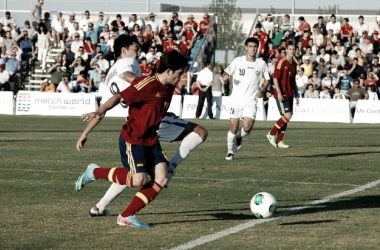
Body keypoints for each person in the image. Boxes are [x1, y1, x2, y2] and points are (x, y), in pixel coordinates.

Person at [81, 35, 207, 217]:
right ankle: (95, 172)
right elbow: (120, 94)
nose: (181, 78)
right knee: (138, 178)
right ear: (170, 71)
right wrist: (99, 111)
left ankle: (124, 216)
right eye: (179, 74)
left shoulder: (168, 85)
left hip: (151, 136)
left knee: (161, 179)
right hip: (135, 137)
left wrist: (163, 113)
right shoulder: (141, 78)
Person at [223, 37, 270, 160]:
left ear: (257, 48)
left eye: (255, 47)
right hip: (236, 100)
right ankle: (230, 152)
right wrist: (225, 77)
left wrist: (263, 90)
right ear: (246, 47)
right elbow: (226, 72)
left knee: (247, 128)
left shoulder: (261, 64)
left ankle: (239, 137)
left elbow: (267, 79)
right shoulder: (238, 61)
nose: (252, 49)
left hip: (251, 100)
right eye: (250, 46)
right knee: (233, 127)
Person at [266, 40, 299, 148]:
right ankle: (271, 134)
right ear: (286, 50)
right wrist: (279, 93)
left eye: (294, 49)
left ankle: (279, 141)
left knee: (285, 117)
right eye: (290, 49)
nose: (292, 51)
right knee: (287, 115)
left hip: (290, 94)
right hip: (282, 94)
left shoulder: (293, 64)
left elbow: (293, 81)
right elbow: (275, 78)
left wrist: (297, 94)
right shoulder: (281, 62)